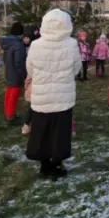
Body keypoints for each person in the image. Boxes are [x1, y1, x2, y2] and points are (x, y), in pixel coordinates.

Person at [26, 9, 82, 179]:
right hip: (63, 95)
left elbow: (30, 69)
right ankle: (57, 164)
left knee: (41, 130)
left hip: (41, 95)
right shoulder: (72, 44)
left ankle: (44, 164)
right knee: (60, 131)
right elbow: (76, 68)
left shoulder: (36, 45)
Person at [2, 22, 27, 125]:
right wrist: (24, 74)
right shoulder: (18, 44)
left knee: (9, 93)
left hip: (9, 71)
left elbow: (4, 58)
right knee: (14, 94)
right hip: (16, 73)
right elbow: (19, 62)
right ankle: (10, 116)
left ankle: (7, 112)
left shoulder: (7, 43)